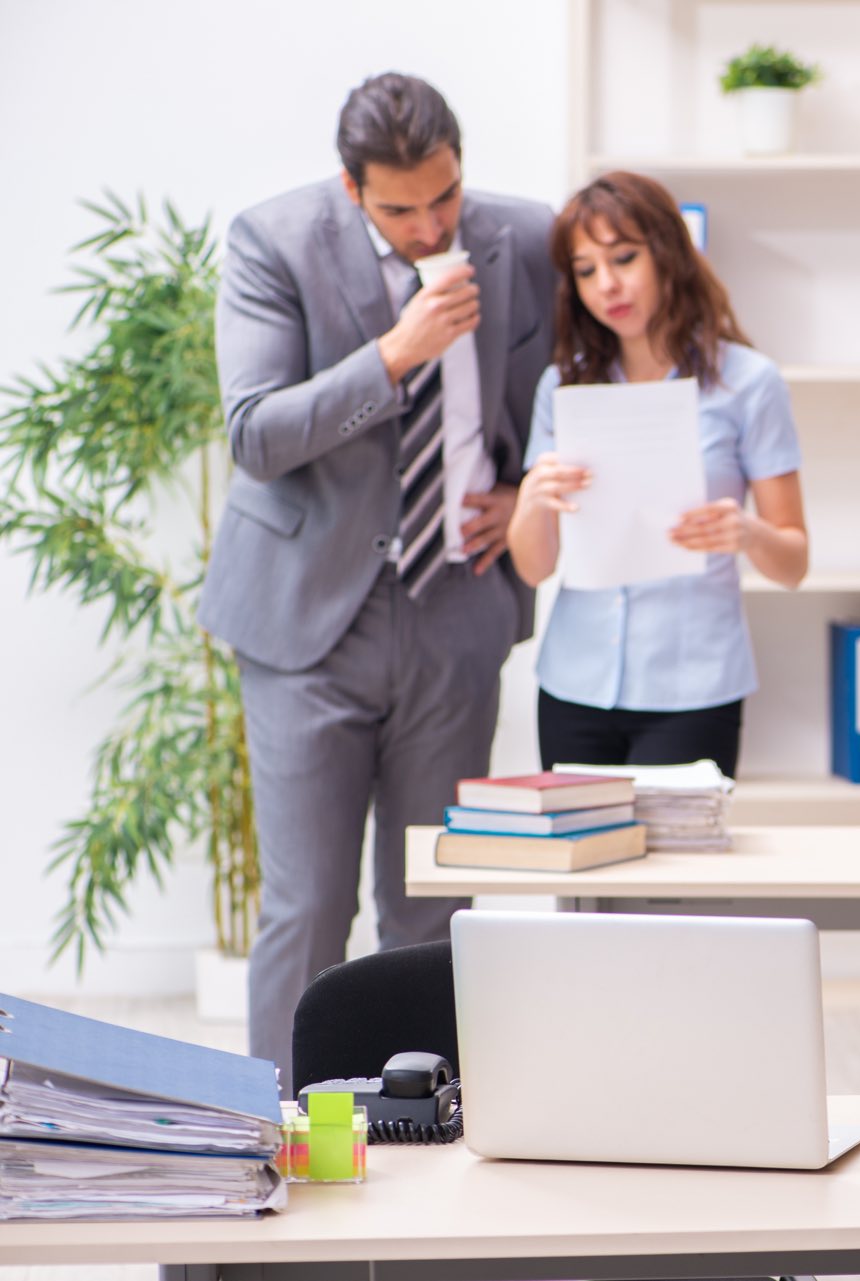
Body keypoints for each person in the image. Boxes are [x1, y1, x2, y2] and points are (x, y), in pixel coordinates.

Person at [200, 73, 556, 1091]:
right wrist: (398, 353)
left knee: (434, 903)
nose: (430, 224)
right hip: (308, 622)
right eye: (401, 208)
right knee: (307, 906)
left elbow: (588, 383)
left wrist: (523, 487)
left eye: (445, 197)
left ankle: (426, 1132)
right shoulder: (274, 242)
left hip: (456, 613)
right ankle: (270, 1138)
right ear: (352, 189)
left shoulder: (523, 238)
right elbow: (256, 434)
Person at [505, 171, 808, 778]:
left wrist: (746, 534)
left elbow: (794, 562)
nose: (608, 284)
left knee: (674, 872)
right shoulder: (564, 385)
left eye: (623, 257)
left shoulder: (748, 382)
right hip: (574, 681)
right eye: (586, 270)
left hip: (692, 688)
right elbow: (536, 567)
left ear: (667, 252)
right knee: (580, 870)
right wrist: (530, 501)